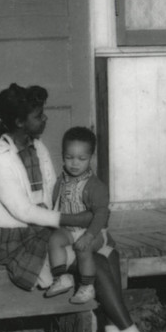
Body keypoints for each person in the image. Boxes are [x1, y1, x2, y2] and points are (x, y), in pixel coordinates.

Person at [0, 82, 166, 332]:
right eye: (38, 116)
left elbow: (51, 195)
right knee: (96, 260)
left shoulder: (38, 148)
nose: (44, 119)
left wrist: (86, 227)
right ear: (20, 122)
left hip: (47, 228)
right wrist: (74, 220)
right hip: (15, 237)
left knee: (107, 251)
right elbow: (22, 210)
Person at [46, 127, 110, 305]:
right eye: (69, 158)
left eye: (81, 159)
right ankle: (61, 278)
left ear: (91, 158)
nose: (75, 163)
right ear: (62, 155)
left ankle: (87, 286)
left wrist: (89, 236)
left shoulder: (95, 185)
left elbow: (101, 214)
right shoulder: (62, 180)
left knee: (83, 248)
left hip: (94, 231)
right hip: (69, 229)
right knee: (54, 240)